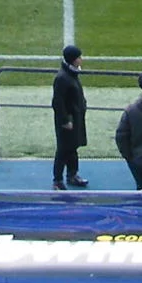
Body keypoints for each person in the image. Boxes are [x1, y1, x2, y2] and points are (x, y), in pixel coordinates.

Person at [51, 46, 88, 190]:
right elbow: (57, 102)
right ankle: (58, 180)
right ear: (73, 59)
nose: (81, 59)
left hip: (75, 118)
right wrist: (65, 120)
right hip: (69, 121)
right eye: (79, 57)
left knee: (72, 148)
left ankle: (72, 175)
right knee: (63, 150)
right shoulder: (63, 78)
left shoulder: (70, 74)